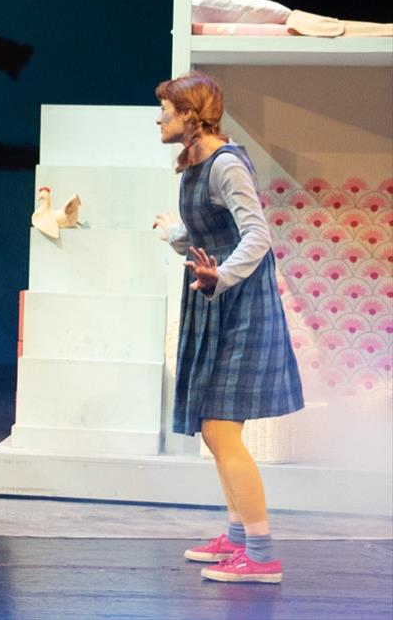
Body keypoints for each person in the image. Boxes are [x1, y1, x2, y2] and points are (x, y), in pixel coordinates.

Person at [153, 71, 303, 584]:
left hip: (240, 305)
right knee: (217, 431)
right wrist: (176, 235)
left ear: (190, 115)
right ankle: (238, 539)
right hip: (214, 299)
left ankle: (260, 556)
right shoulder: (195, 163)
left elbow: (256, 235)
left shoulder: (225, 164)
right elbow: (213, 230)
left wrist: (222, 276)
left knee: (220, 428)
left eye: (166, 111)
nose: (159, 119)